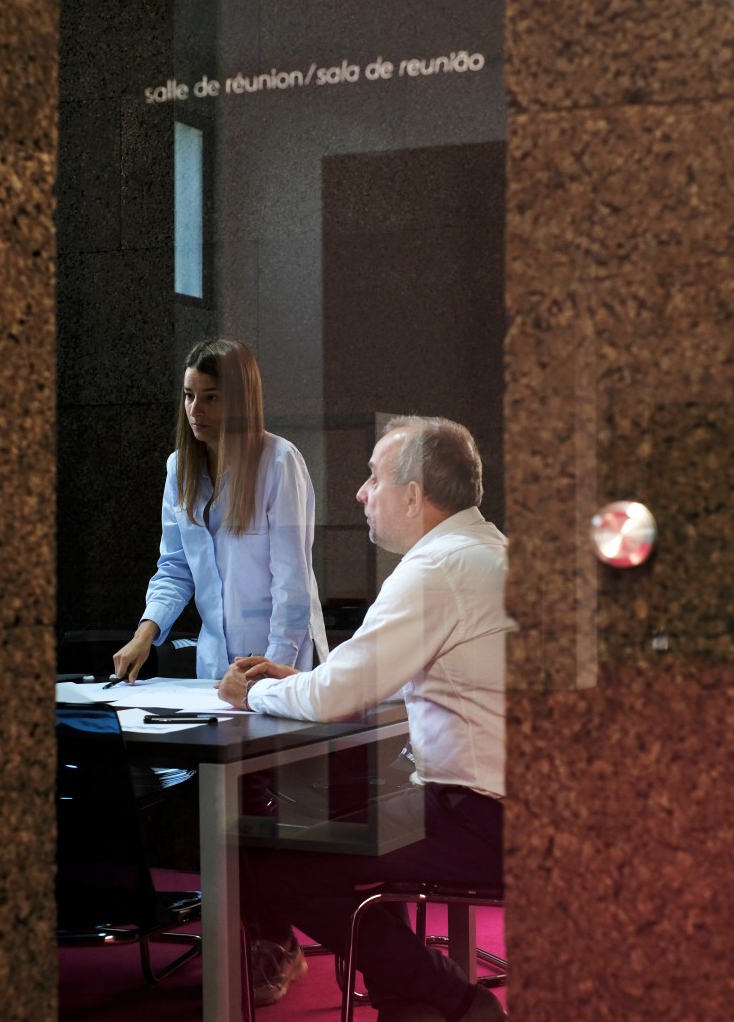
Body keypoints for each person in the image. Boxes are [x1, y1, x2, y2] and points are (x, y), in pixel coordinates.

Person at [218, 415, 512, 1022]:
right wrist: (301, 681)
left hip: (485, 818)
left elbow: (337, 697)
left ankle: (454, 1000)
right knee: (359, 825)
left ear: (414, 495)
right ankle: (416, 1006)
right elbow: (371, 678)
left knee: (282, 871)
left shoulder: (436, 570)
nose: (360, 493)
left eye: (374, 477)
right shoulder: (487, 552)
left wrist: (254, 693)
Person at [113, 338, 328, 683]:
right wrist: (144, 634)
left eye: (211, 397)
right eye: (189, 396)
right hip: (214, 663)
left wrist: (268, 672)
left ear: (239, 401)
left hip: (280, 657)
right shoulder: (179, 468)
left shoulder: (278, 461)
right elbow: (175, 568)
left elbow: (291, 585)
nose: (195, 410)